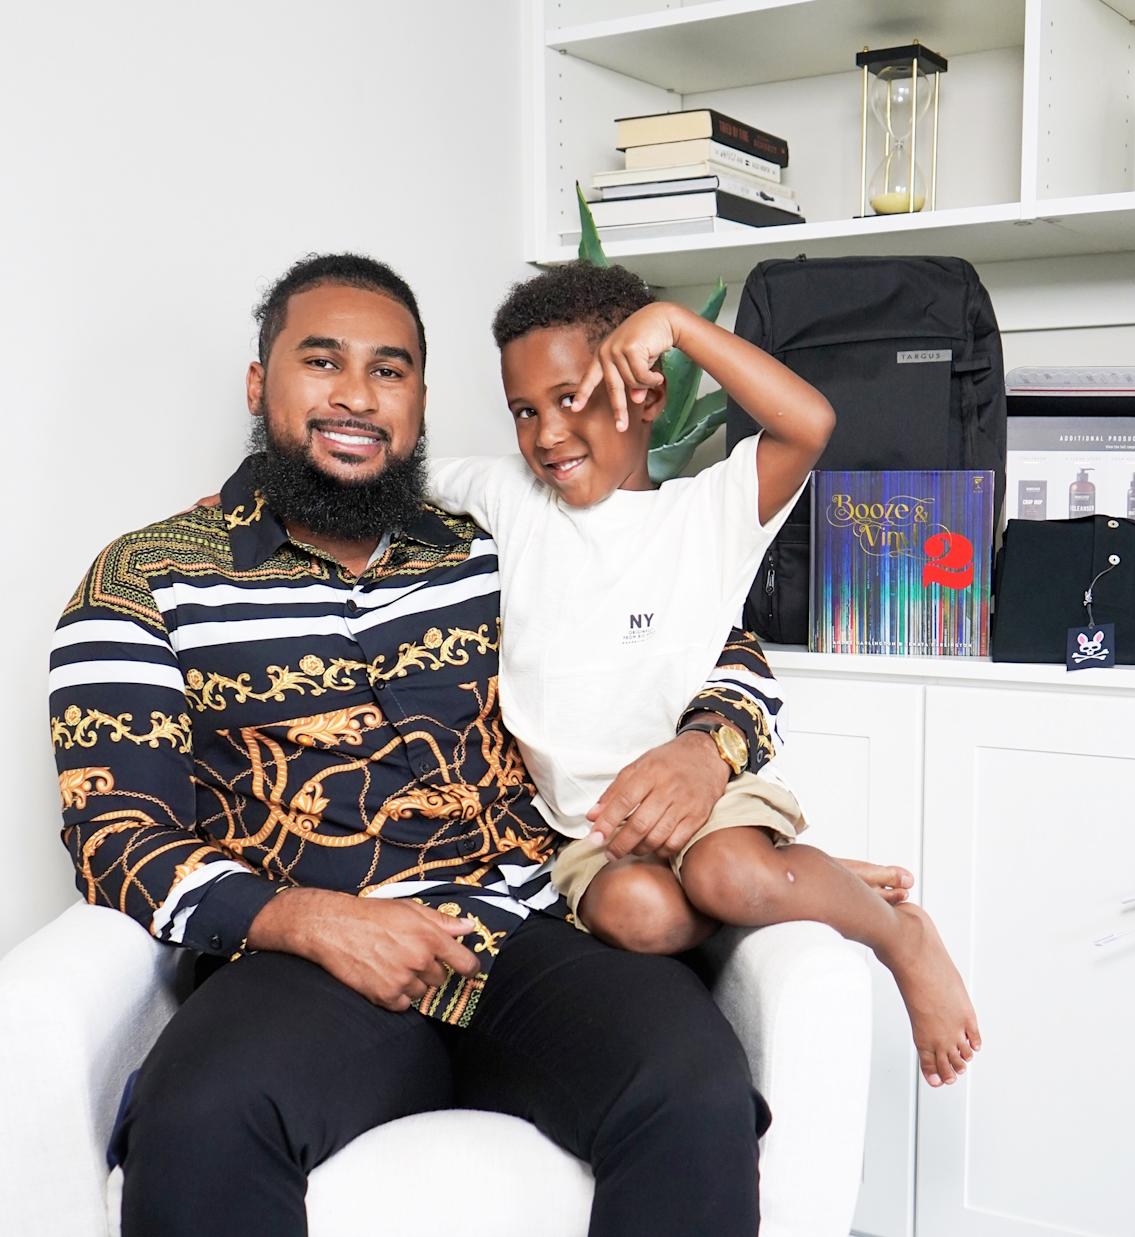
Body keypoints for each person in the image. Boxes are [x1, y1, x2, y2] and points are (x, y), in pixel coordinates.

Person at [48, 252, 876, 1237]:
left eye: (389, 370)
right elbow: (116, 837)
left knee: (691, 1088)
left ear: (421, 403)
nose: (357, 395)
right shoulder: (146, 579)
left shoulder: (488, 541)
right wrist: (309, 920)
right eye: (323, 361)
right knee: (198, 1118)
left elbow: (701, 642)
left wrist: (707, 747)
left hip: (526, 930)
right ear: (259, 383)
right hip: (303, 960)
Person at [426, 262, 981, 1088]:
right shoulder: (510, 496)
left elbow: (810, 422)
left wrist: (679, 327)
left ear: (646, 394)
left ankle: (899, 934)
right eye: (525, 410)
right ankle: (807, 877)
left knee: (730, 873)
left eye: (572, 398)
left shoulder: (707, 513)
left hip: (708, 804)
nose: (546, 434)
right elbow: (394, 470)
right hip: (593, 829)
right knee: (639, 915)